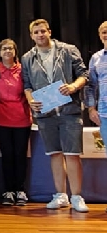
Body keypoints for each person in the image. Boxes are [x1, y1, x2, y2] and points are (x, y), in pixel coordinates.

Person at [22, 19, 89, 212]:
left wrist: (73, 86)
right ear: (31, 36)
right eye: (36, 32)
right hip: (45, 113)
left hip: (70, 111)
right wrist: (30, 100)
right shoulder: (27, 58)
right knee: (55, 154)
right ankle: (61, 195)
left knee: (73, 155)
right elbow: (27, 85)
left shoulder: (68, 50)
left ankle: (77, 196)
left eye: (43, 31)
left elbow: (84, 74)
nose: (40, 35)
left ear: (49, 31)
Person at [0, 39, 32, 206]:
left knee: (20, 155)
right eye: (4, 49)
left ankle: (20, 190)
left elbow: (29, 91)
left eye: (10, 48)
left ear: (15, 51)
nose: (7, 51)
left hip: (22, 119)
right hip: (1, 119)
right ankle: (8, 191)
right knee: (7, 156)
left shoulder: (24, 70)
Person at [86, 21, 107, 181]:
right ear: (100, 36)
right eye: (104, 32)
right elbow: (90, 86)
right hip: (104, 113)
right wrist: (91, 108)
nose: (106, 35)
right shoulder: (96, 58)